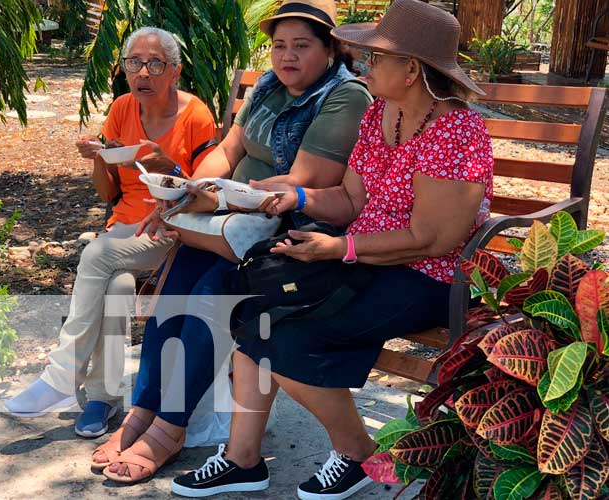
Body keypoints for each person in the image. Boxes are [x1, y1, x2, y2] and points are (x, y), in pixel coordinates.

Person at [171, 1, 495, 499]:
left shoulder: (457, 131)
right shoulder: (379, 114)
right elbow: (350, 199)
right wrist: (293, 197)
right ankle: (242, 460)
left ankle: (360, 455)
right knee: (257, 312)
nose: (365, 64)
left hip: (429, 277)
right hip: (364, 258)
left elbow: (434, 239)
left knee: (292, 342)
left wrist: (340, 249)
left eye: (377, 57)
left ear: (412, 69)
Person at [93, 0, 373, 485]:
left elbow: (308, 179)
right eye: (279, 45)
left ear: (329, 51)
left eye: (301, 46)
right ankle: (144, 411)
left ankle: (168, 430)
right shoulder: (268, 86)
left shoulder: (344, 96)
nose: (286, 57)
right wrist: (192, 193)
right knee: (173, 291)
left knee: (209, 299)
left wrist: (215, 201)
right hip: (230, 221)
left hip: (290, 235)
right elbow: (228, 149)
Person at [4, 27, 218, 439]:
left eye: (155, 63)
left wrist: (165, 166)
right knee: (117, 285)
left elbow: (205, 191)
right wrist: (99, 159)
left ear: (174, 71)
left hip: (173, 229)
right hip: (124, 229)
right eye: (134, 62)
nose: (143, 72)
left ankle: (62, 376)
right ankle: (102, 398)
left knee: (98, 255)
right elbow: (109, 192)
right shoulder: (122, 108)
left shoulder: (196, 115)